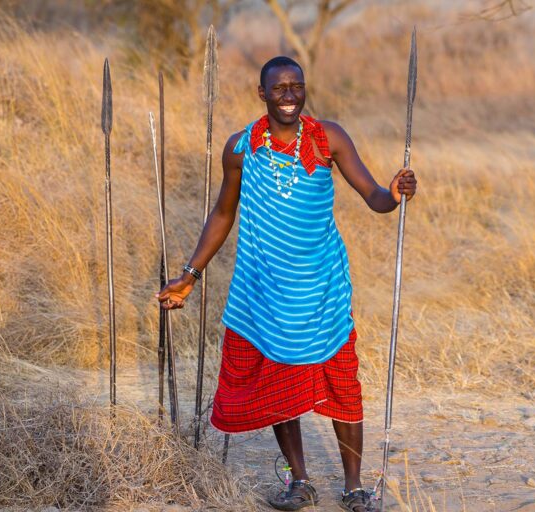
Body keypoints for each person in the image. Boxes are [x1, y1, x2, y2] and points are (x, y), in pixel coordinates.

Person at [156, 55, 416, 512]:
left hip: (321, 288)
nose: (290, 95)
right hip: (265, 291)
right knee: (280, 385)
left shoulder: (327, 137)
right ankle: (300, 480)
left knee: (342, 385)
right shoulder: (240, 149)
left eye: (297, 86)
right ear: (263, 94)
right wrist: (189, 276)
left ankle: (354, 487)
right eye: (279, 88)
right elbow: (222, 214)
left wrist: (394, 194)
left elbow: (373, 196)